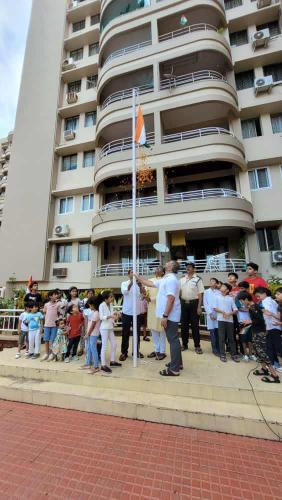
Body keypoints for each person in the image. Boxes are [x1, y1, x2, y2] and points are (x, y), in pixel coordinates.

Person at [136, 260, 182, 376]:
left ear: (171, 267)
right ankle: (178, 363)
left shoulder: (171, 280)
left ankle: (174, 369)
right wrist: (138, 276)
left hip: (170, 315)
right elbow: (150, 284)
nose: (166, 263)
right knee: (173, 340)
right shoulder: (165, 279)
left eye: (169, 262)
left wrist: (165, 316)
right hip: (168, 315)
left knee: (173, 340)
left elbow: (171, 299)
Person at [237, 291, 280, 383]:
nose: (241, 303)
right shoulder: (254, 306)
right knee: (258, 352)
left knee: (263, 354)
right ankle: (264, 369)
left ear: (246, 299)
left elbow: (260, 320)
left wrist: (249, 322)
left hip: (260, 334)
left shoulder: (253, 308)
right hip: (256, 332)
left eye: (241, 301)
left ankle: (274, 376)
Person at [254, 287, 282, 373]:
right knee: (271, 347)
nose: (258, 298)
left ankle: (275, 364)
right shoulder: (272, 301)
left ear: (264, 293)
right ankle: (274, 364)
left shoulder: (266, 301)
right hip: (272, 327)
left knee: (277, 348)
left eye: (258, 296)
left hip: (272, 327)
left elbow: (267, 314)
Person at [180, 262, 204, 354]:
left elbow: (200, 294)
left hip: (194, 304)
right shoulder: (182, 279)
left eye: (190, 267)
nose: (188, 268)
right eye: (187, 267)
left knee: (195, 326)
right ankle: (184, 344)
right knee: (183, 326)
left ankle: (197, 346)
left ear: (194, 269)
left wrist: (199, 307)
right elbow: (178, 292)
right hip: (183, 304)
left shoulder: (198, 279)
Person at [119, 270, 143, 361]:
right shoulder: (124, 283)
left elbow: (142, 295)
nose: (133, 274)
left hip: (136, 313)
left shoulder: (139, 284)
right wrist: (132, 283)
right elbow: (125, 292)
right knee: (125, 333)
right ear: (128, 274)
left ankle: (136, 351)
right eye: (131, 273)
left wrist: (140, 286)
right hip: (127, 312)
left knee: (136, 333)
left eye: (135, 273)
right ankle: (124, 352)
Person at [214, 283, 240, 363]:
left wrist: (229, 313)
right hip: (221, 320)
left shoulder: (230, 298)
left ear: (227, 290)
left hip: (230, 320)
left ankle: (234, 354)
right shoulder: (217, 297)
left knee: (231, 338)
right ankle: (222, 354)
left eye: (223, 286)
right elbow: (215, 308)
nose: (221, 287)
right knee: (221, 338)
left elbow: (235, 310)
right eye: (221, 286)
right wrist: (224, 312)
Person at [146, 266, 166, 361]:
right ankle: (156, 350)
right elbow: (146, 292)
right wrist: (144, 295)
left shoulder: (164, 280)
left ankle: (162, 351)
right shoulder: (150, 280)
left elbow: (163, 294)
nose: (157, 270)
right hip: (151, 308)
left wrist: (151, 299)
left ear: (163, 272)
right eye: (156, 269)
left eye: (159, 269)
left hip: (161, 308)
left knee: (161, 330)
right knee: (153, 330)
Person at [99, 291, 121, 373]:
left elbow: (112, 314)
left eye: (112, 296)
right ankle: (103, 365)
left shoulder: (111, 305)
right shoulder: (101, 305)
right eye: (111, 297)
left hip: (110, 327)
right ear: (106, 298)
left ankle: (112, 362)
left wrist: (116, 313)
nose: (112, 298)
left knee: (114, 344)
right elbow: (101, 317)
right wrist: (111, 316)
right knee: (104, 346)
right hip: (104, 328)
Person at [81, 296, 101, 374]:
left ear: (94, 305)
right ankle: (87, 363)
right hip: (90, 333)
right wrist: (87, 333)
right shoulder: (92, 312)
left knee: (93, 349)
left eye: (90, 305)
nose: (89, 306)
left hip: (93, 333)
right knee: (89, 348)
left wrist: (87, 334)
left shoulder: (96, 313)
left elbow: (93, 325)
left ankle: (96, 366)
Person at [41, 290, 60, 361]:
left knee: (52, 340)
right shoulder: (46, 305)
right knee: (46, 340)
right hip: (47, 325)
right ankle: (46, 353)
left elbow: (59, 313)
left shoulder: (58, 304)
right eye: (55, 294)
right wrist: (42, 325)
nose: (56, 296)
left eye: (56, 295)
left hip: (54, 325)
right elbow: (44, 314)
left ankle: (52, 353)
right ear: (50, 296)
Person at [203, 278, 220, 356]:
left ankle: (219, 347)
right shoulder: (206, 292)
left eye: (213, 281)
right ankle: (214, 349)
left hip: (218, 314)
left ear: (216, 284)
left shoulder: (219, 292)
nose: (211, 282)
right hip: (210, 314)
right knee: (212, 332)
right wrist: (210, 313)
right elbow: (205, 303)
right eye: (210, 281)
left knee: (218, 332)